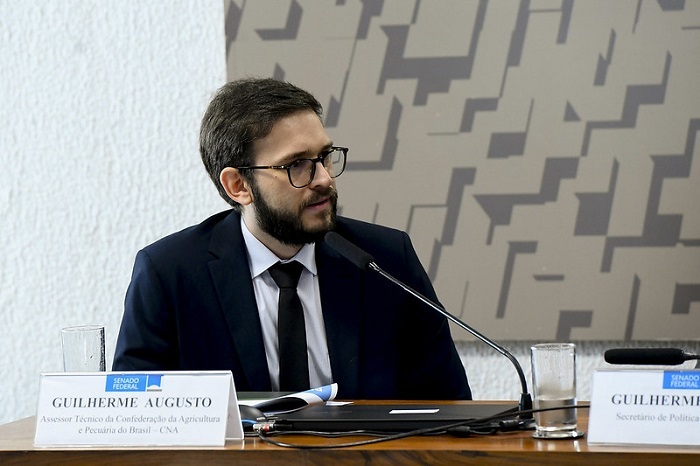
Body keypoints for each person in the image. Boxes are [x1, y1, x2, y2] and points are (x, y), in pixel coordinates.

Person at [113, 77, 471, 400]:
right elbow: (135, 418)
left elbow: (450, 405)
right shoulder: (170, 275)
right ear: (238, 186)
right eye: (296, 164)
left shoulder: (385, 260)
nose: (324, 179)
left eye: (324, 157)